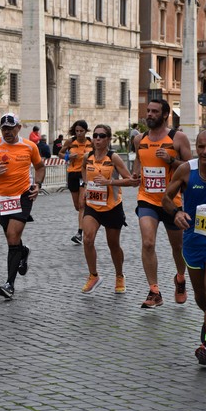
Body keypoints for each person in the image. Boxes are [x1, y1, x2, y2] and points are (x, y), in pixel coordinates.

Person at [162, 128, 206, 367]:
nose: (205, 151)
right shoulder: (187, 170)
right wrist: (176, 213)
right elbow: (166, 198)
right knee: (201, 298)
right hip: (193, 241)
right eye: (201, 146)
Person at [132, 98, 192, 308]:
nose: (149, 114)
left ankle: (180, 278)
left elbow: (190, 168)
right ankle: (154, 291)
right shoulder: (140, 139)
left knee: (178, 247)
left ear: (165, 115)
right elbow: (139, 162)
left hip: (171, 201)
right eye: (148, 111)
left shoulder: (178, 138)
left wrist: (170, 160)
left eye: (154, 111)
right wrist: (135, 174)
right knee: (148, 243)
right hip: (146, 198)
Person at [0, 112, 45, 299]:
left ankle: (9, 284)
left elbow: (40, 167)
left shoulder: (29, 146)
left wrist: (37, 185)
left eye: (11, 127)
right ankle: (23, 252)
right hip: (2, 197)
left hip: (23, 195)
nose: (7, 132)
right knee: (11, 238)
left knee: (13, 235)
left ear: (18, 127)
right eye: (4, 128)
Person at [81, 124, 140, 294]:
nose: (97, 139)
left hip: (112, 206)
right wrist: (85, 185)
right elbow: (83, 171)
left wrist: (110, 182)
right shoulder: (88, 157)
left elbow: (130, 181)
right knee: (88, 239)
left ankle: (119, 275)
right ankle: (93, 275)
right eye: (95, 135)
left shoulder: (113, 158)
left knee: (113, 245)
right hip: (93, 205)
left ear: (108, 139)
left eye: (101, 136)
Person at [59, 120, 92, 244]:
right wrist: (68, 157)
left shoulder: (91, 142)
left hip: (84, 174)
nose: (79, 133)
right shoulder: (70, 142)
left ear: (86, 131)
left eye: (81, 131)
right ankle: (86, 218)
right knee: (77, 206)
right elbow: (60, 153)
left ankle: (80, 233)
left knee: (82, 203)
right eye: (77, 131)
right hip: (72, 174)